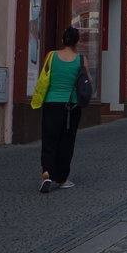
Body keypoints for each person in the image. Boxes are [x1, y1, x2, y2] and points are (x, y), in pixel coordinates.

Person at [34, 26, 86, 193]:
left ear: (63, 39)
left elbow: (45, 76)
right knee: (66, 142)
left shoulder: (51, 56)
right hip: (71, 106)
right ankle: (62, 179)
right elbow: (88, 82)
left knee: (49, 139)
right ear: (77, 42)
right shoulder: (81, 60)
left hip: (51, 103)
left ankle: (47, 173)